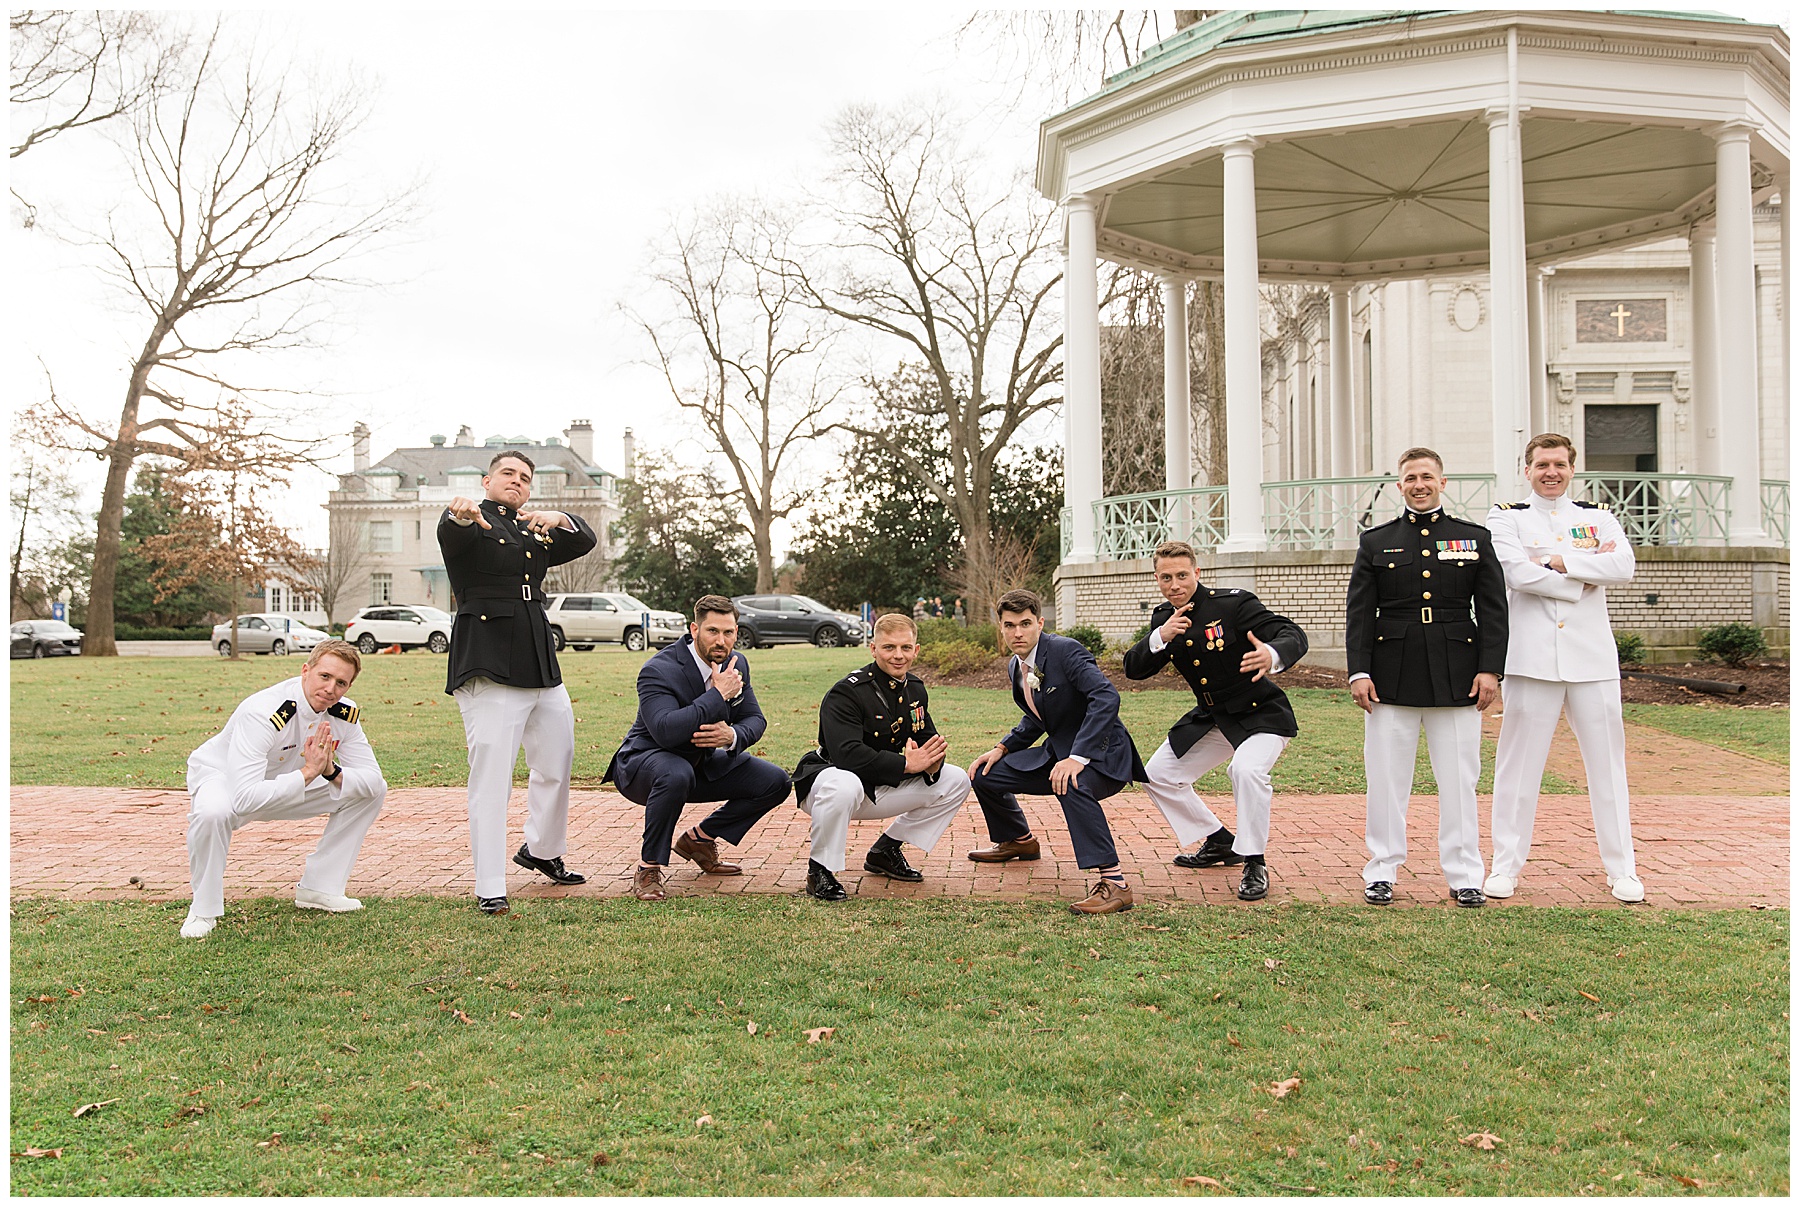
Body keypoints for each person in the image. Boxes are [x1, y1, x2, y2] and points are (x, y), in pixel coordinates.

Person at [1484, 434, 1643, 903]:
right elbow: (1515, 572)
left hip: (1592, 661)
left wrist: (1556, 562)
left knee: (1608, 768)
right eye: (1541, 465)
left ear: (1572, 468)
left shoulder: (1596, 516)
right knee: (1517, 769)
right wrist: (1582, 577)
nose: (1550, 472)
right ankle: (1505, 867)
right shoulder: (1506, 516)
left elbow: (1624, 565)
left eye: (1559, 464)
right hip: (1532, 660)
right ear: (1526, 469)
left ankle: (1622, 870)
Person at [1346, 447, 1508, 908]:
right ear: (1399, 486)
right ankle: (1381, 870)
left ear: (1443, 482)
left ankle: (1464, 874)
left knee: (1459, 780)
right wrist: (1359, 670)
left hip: (1458, 673)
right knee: (1386, 780)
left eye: (1427, 477)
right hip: (1388, 675)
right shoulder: (1376, 541)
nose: (1419, 484)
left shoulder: (1473, 538)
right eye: (1411, 478)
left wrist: (1490, 668)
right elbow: (1359, 612)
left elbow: (1494, 611)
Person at [440, 450, 598, 916]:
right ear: (487, 481)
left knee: (556, 760)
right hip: (489, 660)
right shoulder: (471, 522)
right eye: (508, 474)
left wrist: (561, 517)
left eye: (526, 478)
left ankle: (542, 850)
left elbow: (584, 541)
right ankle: (490, 883)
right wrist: (460, 514)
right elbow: (453, 529)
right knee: (491, 779)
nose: (517, 482)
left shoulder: (530, 528)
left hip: (538, 662)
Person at [1124, 540, 1308, 901]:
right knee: (1158, 774)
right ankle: (1221, 841)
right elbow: (1134, 669)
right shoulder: (1164, 617)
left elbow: (1291, 634)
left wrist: (1271, 654)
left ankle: (1254, 861)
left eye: (1181, 575)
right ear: (1157, 579)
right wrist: (1160, 636)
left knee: (1245, 771)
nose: (1174, 585)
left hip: (1260, 713)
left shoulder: (1233, 605)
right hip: (1213, 716)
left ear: (1197, 573)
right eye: (1166, 578)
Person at [181, 639, 387, 938]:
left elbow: (372, 777)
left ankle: (320, 889)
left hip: (287, 783)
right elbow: (244, 797)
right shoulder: (264, 711)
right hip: (226, 779)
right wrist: (308, 773)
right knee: (213, 813)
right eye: (325, 676)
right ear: (306, 671)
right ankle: (203, 909)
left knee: (370, 791)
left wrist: (330, 771)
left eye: (341, 683)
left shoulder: (344, 714)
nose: (331, 689)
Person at [967, 589, 1148, 915]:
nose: (1017, 633)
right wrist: (1001, 747)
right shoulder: (1016, 665)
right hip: (1058, 752)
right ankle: (1018, 840)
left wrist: (1078, 758)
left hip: (1103, 755)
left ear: (1040, 622)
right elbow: (1038, 717)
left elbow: (1105, 697)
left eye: (1024, 624)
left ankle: (1116, 884)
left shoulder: (1065, 651)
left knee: (1072, 782)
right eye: (1009, 625)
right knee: (984, 774)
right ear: (1001, 627)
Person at [605, 595, 791, 902]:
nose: (722, 640)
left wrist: (732, 734)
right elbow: (666, 731)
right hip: (642, 766)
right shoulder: (658, 670)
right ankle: (648, 868)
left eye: (729, 632)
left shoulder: (737, 663)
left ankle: (700, 839)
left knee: (776, 781)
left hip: (698, 764)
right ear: (694, 630)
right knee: (675, 772)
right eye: (712, 631)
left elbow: (755, 719)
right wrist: (717, 695)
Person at [790, 613, 972, 901]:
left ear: (916, 650)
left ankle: (885, 851)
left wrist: (933, 761)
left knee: (956, 779)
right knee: (845, 784)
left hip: (876, 783)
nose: (898, 656)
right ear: (873, 649)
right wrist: (906, 764)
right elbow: (846, 754)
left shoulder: (914, 689)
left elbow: (925, 738)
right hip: (829, 783)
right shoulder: (847, 692)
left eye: (905, 648)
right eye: (889, 647)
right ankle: (820, 870)